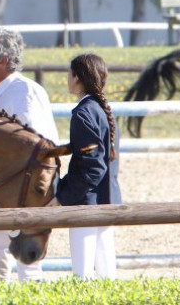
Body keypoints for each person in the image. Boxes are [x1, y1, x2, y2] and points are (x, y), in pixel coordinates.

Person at [0, 29, 59, 282]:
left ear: (2, 61)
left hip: (27, 187)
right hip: (1, 185)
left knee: (26, 256)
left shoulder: (27, 93)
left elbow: (38, 147)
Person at [51, 53, 121, 280]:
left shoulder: (83, 113)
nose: (67, 79)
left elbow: (92, 166)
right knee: (107, 275)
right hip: (106, 198)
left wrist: (64, 195)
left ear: (78, 77)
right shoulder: (102, 111)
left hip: (86, 202)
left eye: (69, 74)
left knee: (82, 277)